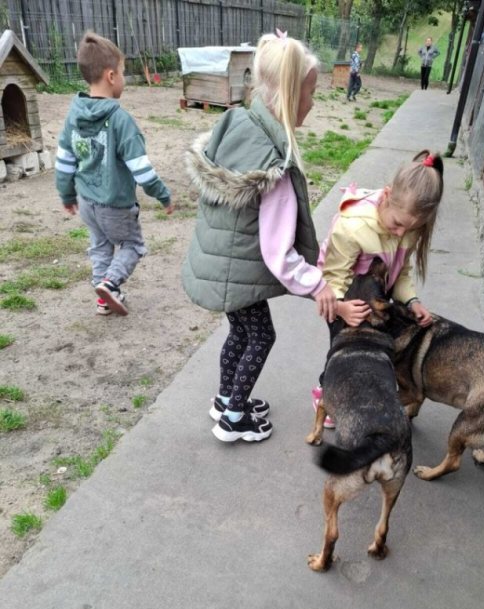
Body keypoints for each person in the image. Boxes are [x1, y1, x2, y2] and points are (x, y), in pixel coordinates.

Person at [181, 31, 337, 444]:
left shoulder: (240, 123)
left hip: (222, 263)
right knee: (261, 336)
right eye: (311, 93)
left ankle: (225, 399)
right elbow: (277, 253)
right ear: (289, 95)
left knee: (241, 332)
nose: (313, 102)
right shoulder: (274, 168)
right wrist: (316, 283)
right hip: (238, 271)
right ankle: (234, 418)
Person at [311, 150, 444, 426]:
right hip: (342, 298)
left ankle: (361, 396)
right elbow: (332, 277)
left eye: (410, 229)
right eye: (397, 224)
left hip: (374, 298)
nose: (401, 233)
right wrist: (341, 309)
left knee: (372, 352)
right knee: (342, 353)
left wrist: (412, 301)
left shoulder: (408, 226)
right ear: (386, 195)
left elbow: (402, 272)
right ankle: (326, 394)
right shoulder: (353, 226)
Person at [55, 31, 173, 317]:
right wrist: (163, 195)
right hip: (115, 205)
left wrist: (67, 195)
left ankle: (104, 297)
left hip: (87, 202)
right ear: (110, 76)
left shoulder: (74, 115)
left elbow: (64, 160)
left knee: (100, 247)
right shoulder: (121, 120)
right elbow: (141, 169)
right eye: (122, 72)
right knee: (132, 245)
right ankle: (110, 283)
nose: (123, 79)